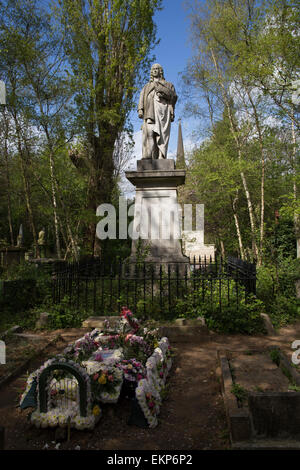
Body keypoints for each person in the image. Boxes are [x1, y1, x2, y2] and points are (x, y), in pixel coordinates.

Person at [138, 64, 177, 159]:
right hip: (150, 113)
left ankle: (161, 156)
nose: (155, 71)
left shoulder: (168, 84)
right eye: (153, 69)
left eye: (157, 69)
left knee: (162, 135)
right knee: (149, 133)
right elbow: (142, 97)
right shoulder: (147, 86)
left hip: (163, 112)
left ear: (160, 71)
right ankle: (149, 155)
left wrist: (163, 93)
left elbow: (174, 97)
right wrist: (140, 109)